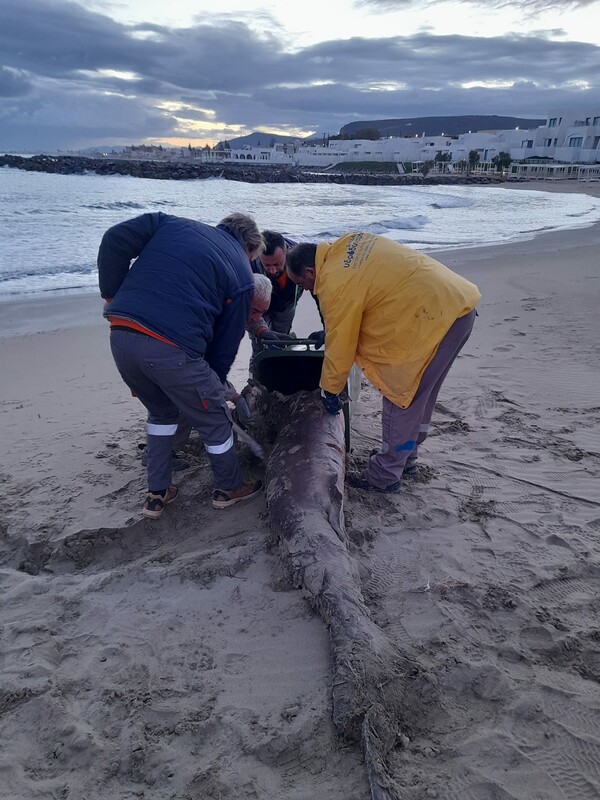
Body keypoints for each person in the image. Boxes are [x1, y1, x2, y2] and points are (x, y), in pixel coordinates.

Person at [98, 211, 265, 518]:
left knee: (161, 414)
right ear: (250, 247)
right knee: (214, 419)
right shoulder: (242, 272)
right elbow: (223, 349)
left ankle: (157, 494)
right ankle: (229, 487)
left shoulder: (170, 223)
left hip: (121, 334)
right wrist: (214, 391)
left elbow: (114, 239)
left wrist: (111, 294)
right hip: (170, 347)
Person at [286, 233, 481, 493]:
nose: (309, 291)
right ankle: (406, 457)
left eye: (304, 285)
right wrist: (331, 329)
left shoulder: (334, 283)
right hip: (458, 308)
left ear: (310, 271)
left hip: (434, 321)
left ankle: (384, 475)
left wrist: (329, 390)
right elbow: (365, 295)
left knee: (400, 394)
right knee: (422, 394)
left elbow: (341, 346)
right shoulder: (349, 244)